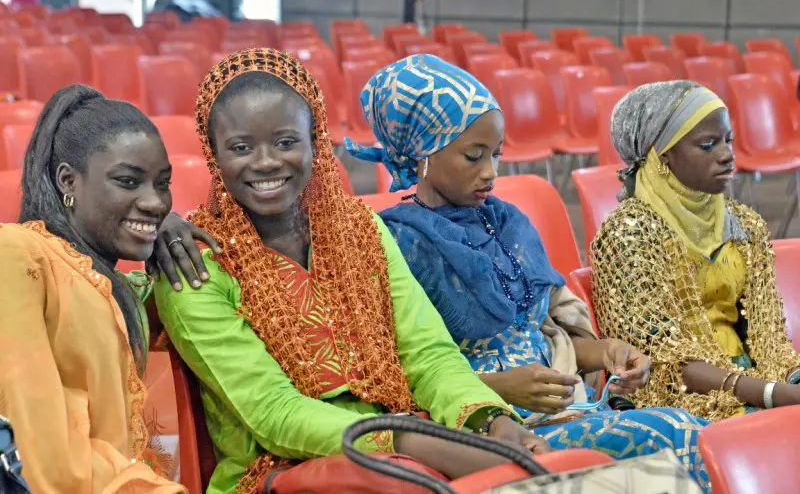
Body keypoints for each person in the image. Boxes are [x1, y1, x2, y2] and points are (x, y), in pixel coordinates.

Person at [153, 49, 549, 494]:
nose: (265, 162)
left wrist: (490, 417)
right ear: (214, 155)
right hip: (276, 469)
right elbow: (273, 413)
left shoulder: (361, 230)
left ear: (315, 142)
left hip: (411, 440)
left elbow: (429, 354)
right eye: (241, 148)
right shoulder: (194, 265)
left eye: (285, 142)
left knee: (549, 464)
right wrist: (410, 443)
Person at [345, 55, 709, 489]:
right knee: (678, 434)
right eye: (473, 156)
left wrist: (612, 352)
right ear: (423, 154)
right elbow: (400, 376)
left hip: (568, 408)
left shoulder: (506, 223)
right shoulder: (399, 244)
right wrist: (500, 389)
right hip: (490, 430)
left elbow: (542, 332)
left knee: (691, 431)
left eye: (496, 154)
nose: (491, 173)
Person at [0, 84, 186, 493]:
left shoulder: (120, 289)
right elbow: (39, 457)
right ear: (68, 181)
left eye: (162, 184)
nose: (155, 202)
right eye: (128, 181)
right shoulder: (18, 255)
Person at [591, 80, 800, 421]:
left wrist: (789, 380)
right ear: (663, 155)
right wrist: (770, 394)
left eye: (728, 140)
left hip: (756, 375)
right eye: (707, 145)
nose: (726, 154)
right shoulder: (630, 233)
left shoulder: (743, 224)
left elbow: (769, 332)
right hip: (681, 396)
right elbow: (664, 359)